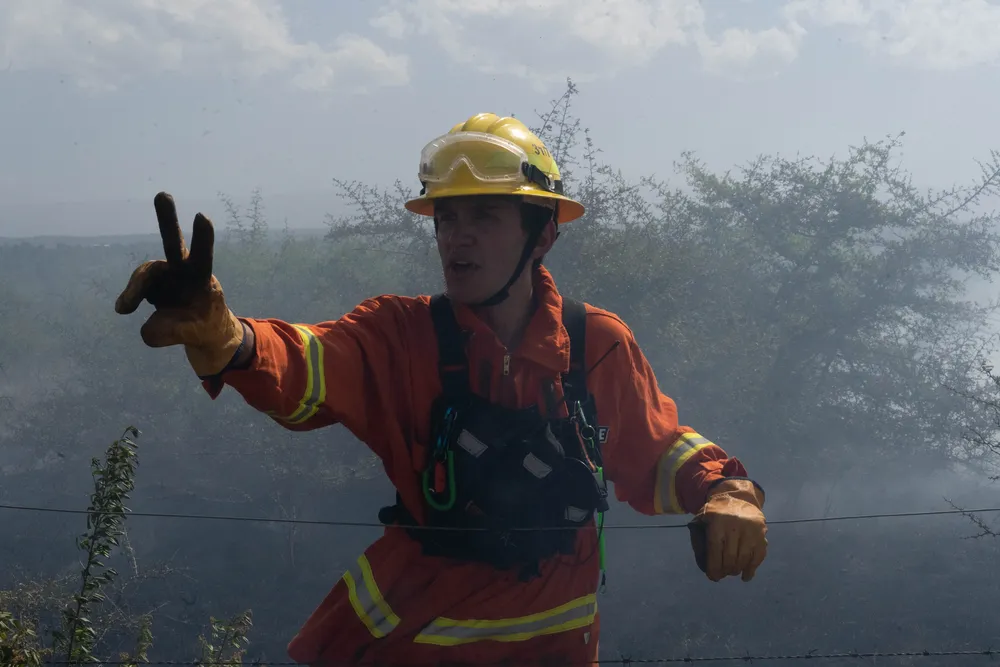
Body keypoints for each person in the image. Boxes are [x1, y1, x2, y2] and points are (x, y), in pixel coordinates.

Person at [114, 112, 768, 666]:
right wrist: (226, 336)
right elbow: (308, 363)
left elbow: (657, 451)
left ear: (543, 233)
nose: (457, 234)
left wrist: (728, 489)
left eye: (484, 214)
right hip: (398, 642)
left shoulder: (595, 345)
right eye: (446, 217)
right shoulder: (400, 335)